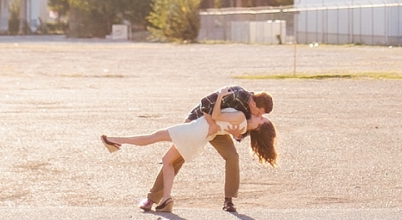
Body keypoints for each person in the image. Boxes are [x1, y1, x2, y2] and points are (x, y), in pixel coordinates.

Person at [102, 90, 277, 213]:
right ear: (253, 103)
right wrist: (213, 123)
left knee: (232, 157)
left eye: (261, 117)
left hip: (216, 131)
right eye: (259, 113)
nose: (259, 116)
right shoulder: (236, 95)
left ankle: (228, 200)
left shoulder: (251, 119)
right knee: (174, 159)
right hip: (200, 121)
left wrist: (232, 131)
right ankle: (154, 198)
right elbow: (205, 104)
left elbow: (239, 134)